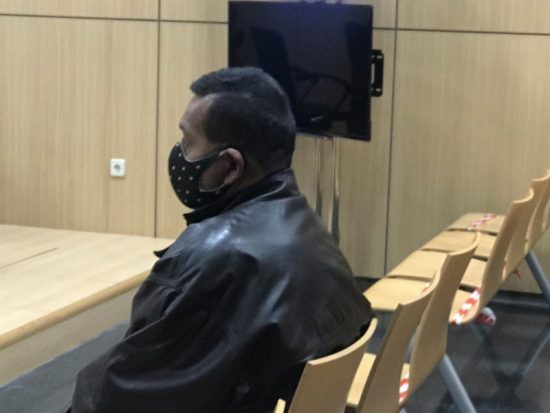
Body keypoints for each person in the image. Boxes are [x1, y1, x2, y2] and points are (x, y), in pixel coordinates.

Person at [69, 67, 373, 413]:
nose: (180, 152)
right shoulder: (311, 229)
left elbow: (119, 399)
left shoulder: (210, 263)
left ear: (230, 166)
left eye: (188, 141)